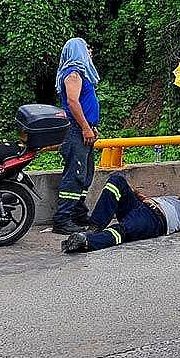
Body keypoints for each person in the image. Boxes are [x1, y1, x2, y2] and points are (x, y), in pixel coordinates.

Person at [61, 172, 180, 252]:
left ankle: (87, 242)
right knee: (117, 180)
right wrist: (134, 192)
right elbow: (149, 200)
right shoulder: (179, 200)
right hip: (142, 206)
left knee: (123, 230)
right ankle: (94, 228)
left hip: (156, 221)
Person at [52, 37, 101, 235]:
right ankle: (63, 218)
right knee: (75, 174)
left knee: (85, 175)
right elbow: (73, 102)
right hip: (75, 131)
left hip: (83, 128)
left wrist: (91, 126)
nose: (90, 51)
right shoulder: (73, 73)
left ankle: (78, 213)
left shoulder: (81, 74)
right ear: (78, 51)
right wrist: (84, 127)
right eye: (87, 48)